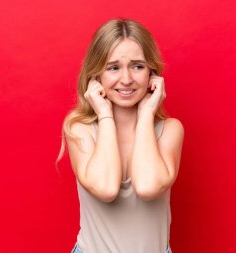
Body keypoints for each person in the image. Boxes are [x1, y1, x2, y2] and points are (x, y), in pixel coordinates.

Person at [56, 18, 184, 253]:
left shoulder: (170, 130)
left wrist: (146, 114)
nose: (126, 79)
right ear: (97, 76)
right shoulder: (79, 129)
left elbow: (148, 187)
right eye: (113, 67)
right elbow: (105, 189)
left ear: (152, 74)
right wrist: (104, 114)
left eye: (137, 66)